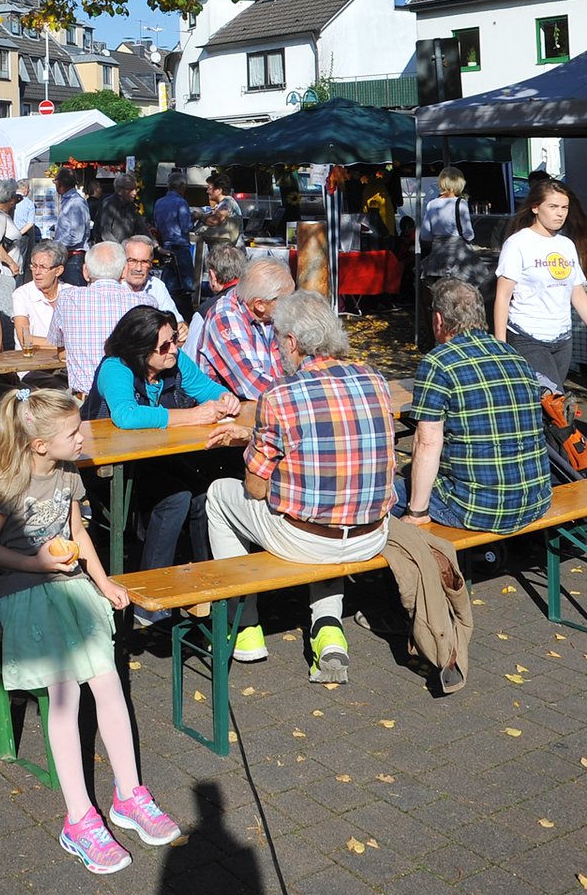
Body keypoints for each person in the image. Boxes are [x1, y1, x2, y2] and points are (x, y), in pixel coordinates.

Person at [0, 388, 184, 873]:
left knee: (109, 685)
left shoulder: (68, 475)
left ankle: (129, 795)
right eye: (73, 431)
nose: (83, 435)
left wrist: (103, 579)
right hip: (27, 594)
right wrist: (35, 562)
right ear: (40, 445)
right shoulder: (9, 485)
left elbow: (78, 532)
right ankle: (78, 819)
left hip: (69, 590)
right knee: (65, 696)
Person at [203, 291, 393, 683]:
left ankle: (246, 625)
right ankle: (328, 629)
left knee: (220, 494)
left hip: (307, 539)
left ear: (291, 342)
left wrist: (261, 447)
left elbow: (255, 489)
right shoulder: (375, 379)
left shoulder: (280, 395)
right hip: (372, 534)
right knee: (334, 499)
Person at [84, 305, 243, 585]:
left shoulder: (175, 362)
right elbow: (126, 415)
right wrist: (191, 416)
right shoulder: (116, 368)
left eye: (175, 340)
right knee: (175, 498)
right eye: (164, 345)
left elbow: (208, 389)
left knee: (203, 494)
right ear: (140, 350)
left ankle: (206, 580)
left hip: (158, 459)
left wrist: (225, 398)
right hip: (112, 468)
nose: (174, 349)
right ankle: (151, 593)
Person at [396, 280, 551, 532]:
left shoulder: (439, 362)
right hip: (535, 501)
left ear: (438, 319)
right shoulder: (514, 356)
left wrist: (417, 512)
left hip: (476, 510)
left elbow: (427, 441)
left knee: (386, 494)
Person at [494, 178, 587, 388]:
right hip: (527, 336)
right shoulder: (518, 243)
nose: (560, 213)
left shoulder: (565, 244)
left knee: (547, 406)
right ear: (535, 208)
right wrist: (501, 345)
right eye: (553, 206)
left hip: (562, 338)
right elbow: (503, 296)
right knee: (554, 404)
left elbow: (577, 292)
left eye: (564, 207)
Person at [49, 242, 156, 393]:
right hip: (133, 400)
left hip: (84, 403)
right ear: (124, 271)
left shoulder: (67, 298)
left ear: (85, 271)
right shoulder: (146, 302)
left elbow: (59, 347)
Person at [192, 259, 291, 401]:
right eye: (286, 299)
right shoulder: (225, 317)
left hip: (267, 405)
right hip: (228, 414)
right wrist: (300, 394)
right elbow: (255, 385)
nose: (291, 303)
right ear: (260, 304)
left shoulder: (267, 314)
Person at [418, 166, 479, 283]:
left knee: (439, 289)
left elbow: (425, 235)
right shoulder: (461, 203)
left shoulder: (432, 204)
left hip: (437, 255)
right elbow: (469, 234)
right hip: (458, 256)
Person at [12, 239, 67, 349]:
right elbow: (25, 339)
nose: (37, 272)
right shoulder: (22, 294)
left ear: (58, 270)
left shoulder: (71, 293)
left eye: (43, 267)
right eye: (34, 266)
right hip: (31, 362)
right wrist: (67, 344)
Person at [152, 183, 195, 311]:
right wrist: (194, 217)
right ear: (181, 186)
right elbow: (186, 227)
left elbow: (156, 225)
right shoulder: (181, 203)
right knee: (185, 288)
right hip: (180, 247)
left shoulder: (159, 203)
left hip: (165, 247)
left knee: (168, 287)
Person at [121, 234, 180, 316]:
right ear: (122, 261)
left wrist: (182, 325)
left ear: (151, 264)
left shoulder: (156, 286)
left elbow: (174, 319)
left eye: (145, 262)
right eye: (132, 261)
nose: (138, 268)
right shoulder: (113, 287)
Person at [55, 169, 92, 285]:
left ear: (60, 183)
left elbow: (77, 235)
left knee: (76, 294)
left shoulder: (75, 202)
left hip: (73, 258)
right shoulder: (68, 200)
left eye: (55, 182)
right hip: (67, 256)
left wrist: (57, 245)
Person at [96, 172, 150, 246]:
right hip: (108, 251)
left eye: (135, 189)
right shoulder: (108, 205)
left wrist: (156, 245)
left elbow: (142, 228)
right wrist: (120, 249)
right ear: (119, 190)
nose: (134, 193)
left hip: (124, 250)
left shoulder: (131, 206)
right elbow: (105, 233)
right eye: (130, 189)